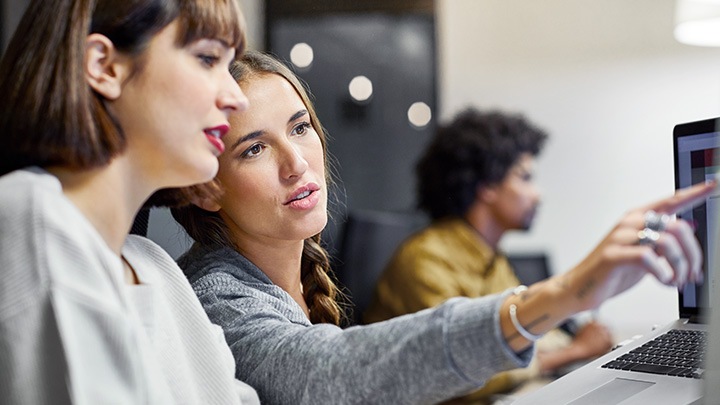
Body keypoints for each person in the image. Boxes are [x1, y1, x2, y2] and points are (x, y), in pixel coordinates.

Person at [171, 50, 715, 404]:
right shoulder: (215, 296)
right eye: (255, 148)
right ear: (205, 183)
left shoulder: (288, 279)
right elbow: (326, 373)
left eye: (301, 127)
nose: (297, 163)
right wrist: (567, 292)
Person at [0, 0, 260, 404]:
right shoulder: (31, 216)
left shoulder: (156, 268)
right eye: (207, 58)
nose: (235, 97)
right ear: (104, 66)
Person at [363, 108, 613, 403]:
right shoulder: (424, 260)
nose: (537, 194)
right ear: (487, 186)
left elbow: (529, 333)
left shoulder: (492, 259)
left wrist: (586, 342)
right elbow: (460, 370)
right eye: (524, 177)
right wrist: (576, 351)